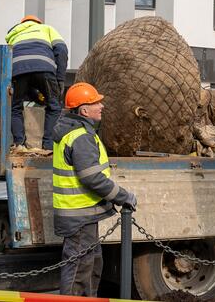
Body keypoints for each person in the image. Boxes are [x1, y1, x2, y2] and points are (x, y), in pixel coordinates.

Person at [53, 82, 137, 296]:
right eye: (96, 102)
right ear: (83, 110)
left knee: (90, 268)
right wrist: (123, 196)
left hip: (82, 215)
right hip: (80, 216)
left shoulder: (76, 132)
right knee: (80, 272)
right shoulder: (80, 136)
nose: (101, 106)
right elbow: (93, 178)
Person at [5, 15, 68, 150]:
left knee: (15, 108)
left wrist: (36, 96)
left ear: (22, 24)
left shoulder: (13, 35)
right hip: (44, 68)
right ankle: (48, 145)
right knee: (54, 106)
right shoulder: (46, 28)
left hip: (17, 70)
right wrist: (60, 79)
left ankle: (19, 144)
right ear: (38, 22)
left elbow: (27, 78)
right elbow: (61, 50)